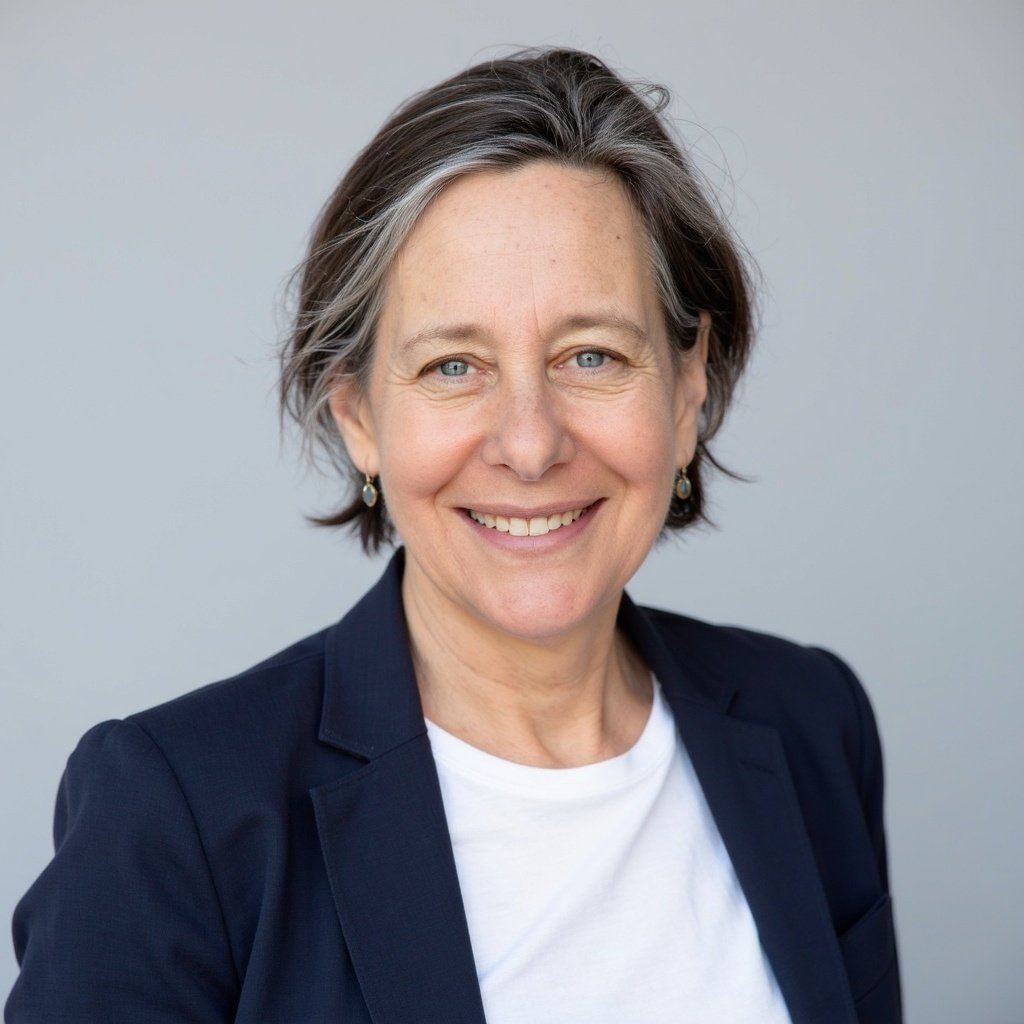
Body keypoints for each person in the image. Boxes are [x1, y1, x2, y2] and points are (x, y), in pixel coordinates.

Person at [6, 48, 900, 1023]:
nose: (529, 442)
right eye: (451, 367)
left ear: (687, 388)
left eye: (591, 354)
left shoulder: (811, 724)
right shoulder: (177, 812)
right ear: (355, 415)